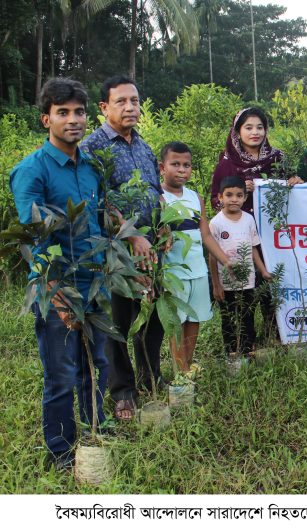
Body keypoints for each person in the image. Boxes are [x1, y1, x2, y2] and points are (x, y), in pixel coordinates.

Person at [10, 78, 109, 471]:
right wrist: (56, 292)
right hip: (59, 288)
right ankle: (61, 452)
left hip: (95, 282)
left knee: (94, 364)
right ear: (45, 118)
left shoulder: (90, 167)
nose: (73, 119)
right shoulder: (31, 171)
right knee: (61, 374)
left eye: (79, 112)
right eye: (63, 112)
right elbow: (35, 239)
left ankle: (96, 433)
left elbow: (98, 221)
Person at [80, 75, 164, 421]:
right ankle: (123, 390)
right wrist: (132, 236)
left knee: (153, 317)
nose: (130, 107)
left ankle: (150, 377)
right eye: (121, 102)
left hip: (152, 247)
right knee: (118, 323)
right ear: (104, 108)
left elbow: (156, 192)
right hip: (116, 250)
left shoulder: (143, 146)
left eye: (135, 101)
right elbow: (97, 202)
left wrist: (163, 229)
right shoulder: (92, 147)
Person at [159, 142, 232, 373]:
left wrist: (225, 260)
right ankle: (181, 372)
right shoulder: (158, 197)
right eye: (175, 164)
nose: (182, 170)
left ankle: (187, 366)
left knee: (194, 319)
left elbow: (206, 235)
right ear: (162, 167)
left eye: (187, 165)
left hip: (198, 271)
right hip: (173, 274)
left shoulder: (195, 197)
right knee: (177, 323)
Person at [209, 176, 272, 356]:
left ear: (245, 198)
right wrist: (216, 284)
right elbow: (212, 256)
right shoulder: (216, 223)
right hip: (225, 281)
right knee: (228, 317)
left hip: (248, 279)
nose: (234, 199)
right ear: (220, 197)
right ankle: (231, 352)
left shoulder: (249, 219)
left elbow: (253, 248)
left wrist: (263, 271)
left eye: (239, 195)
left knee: (247, 316)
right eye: (229, 195)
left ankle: (246, 350)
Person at [210, 107, 288, 217]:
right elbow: (216, 203)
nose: (255, 132)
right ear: (237, 132)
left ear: (265, 131)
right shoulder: (227, 163)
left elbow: (293, 193)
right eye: (249, 128)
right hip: (239, 227)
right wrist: (238, 191)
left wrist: (294, 182)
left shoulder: (278, 158)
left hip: (274, 227)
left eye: (260, 127)